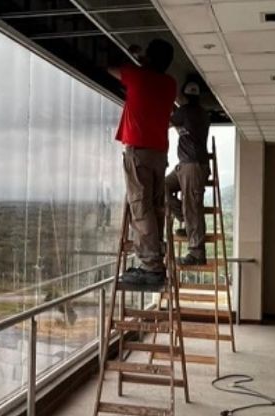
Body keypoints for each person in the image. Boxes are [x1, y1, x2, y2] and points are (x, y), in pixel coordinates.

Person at [109, 39, 177, 285]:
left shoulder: (137, 76)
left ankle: (151, 267)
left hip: (139, 152)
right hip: (159, 153)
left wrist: (137, 57)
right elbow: (147, 71)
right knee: (155, 206)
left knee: (141, 207)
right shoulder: (170, 84)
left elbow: (112, 68)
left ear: (149, 58)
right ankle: (155, 258)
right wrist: (144, 58)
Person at [166, 81, 211, 266]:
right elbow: (180, 125)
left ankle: (196, 252)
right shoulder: (202, 113)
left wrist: (168, 104)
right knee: (163, 188)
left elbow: (169, 122)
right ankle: (184, 219)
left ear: (183, 96)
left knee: (193, 206)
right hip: (188, 164)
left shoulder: (185, 111)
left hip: (192, 165)